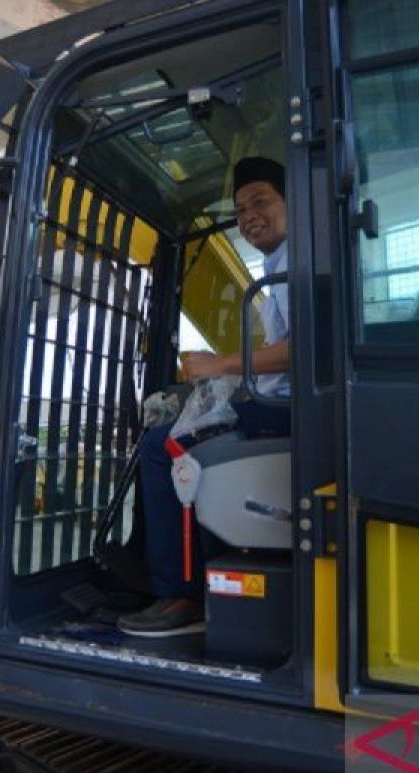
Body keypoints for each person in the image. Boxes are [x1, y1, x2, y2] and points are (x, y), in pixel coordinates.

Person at [118, 156, 292, 636]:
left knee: (161, 447)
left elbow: (306, 350)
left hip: (288, 413)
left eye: (261, 201)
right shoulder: (281, 264)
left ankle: (180, 593)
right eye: (239, 209)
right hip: (279, 405)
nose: (248, 215)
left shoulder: (298, 261)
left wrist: (220, 365)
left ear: (293, 201)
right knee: (181, 418)